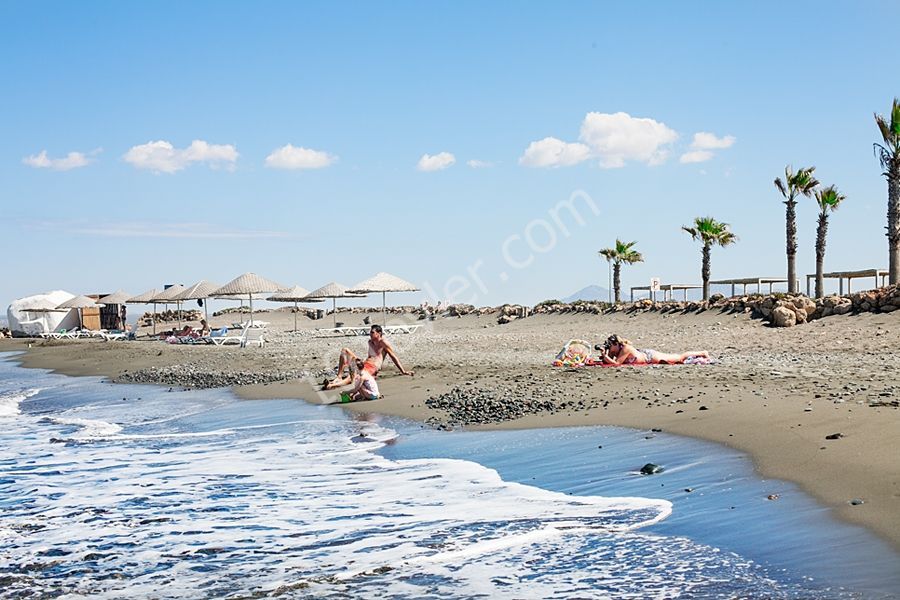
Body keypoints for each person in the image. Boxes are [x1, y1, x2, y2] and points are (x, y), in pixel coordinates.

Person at [325, 324, 413, 389]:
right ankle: (339, 377)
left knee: (355, 376)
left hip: (373, 366)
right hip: (365, 363)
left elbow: (393, 357)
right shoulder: (370, 342)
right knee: (345, 351)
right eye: (370, 332)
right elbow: (369, 356)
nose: (370, 334)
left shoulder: (383, 343)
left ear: (379, 333)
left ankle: (332, 385)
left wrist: (403, 371)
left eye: (372, 332)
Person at [601, 334, 709, 365]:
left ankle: (702, 353)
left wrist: (606, 357)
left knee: (679, 358)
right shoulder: (615, 350)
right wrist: (606, 354)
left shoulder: (625, 348)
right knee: (678, 358)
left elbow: (616, 364)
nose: (610, 347)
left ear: (616, 344)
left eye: (610, 345)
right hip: (645, 356)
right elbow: (607, 362)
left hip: (650, 357)